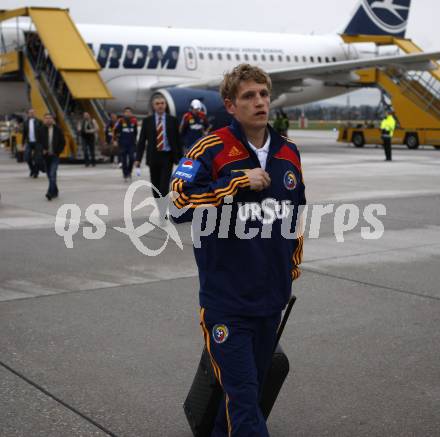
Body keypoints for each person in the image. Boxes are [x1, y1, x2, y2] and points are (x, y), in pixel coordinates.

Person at [171, 64, 306, 436]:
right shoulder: (210, 149)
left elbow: (295, 214)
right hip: (227, 303)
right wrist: (234, 183)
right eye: (249, 96)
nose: (259, 102)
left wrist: (291, 265)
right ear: (230, 105)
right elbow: (176, 205)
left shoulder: (289, 153)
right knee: (245, 402)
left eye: (263, 94)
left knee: (242, 399)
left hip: (272, 300)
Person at [135, 94, 181, 202]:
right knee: (155, 186)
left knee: (164, 186)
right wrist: (138, 158)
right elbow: (141, 141)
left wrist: (180, 158)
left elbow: (177, 140)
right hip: (153, 156)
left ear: (165, 105)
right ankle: (160, 206)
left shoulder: (172, 120)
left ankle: (163, 210)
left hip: (167, 156)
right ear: (153, 106)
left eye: (162, 103)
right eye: (157, 104)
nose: (160, 106)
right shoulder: (147, 121)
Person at [39, 113, 65, 200]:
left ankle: (49, 193)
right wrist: (42, 150)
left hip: (54, 156)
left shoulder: (58, 129)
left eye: (50, 118)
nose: (48, 120)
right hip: (46, 156)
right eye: (46, 118)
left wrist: (58, 152)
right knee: (49, 175)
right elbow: (38, 143)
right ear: (44, 120)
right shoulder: (41, 129)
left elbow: (63, 142)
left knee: (52, 174)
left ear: (52, 119)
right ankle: (55, 190)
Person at [115, 107, 138, 181]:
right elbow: (115, 131)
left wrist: (135, 141)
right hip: (123, 144)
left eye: (129, 112)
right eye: (126, 112)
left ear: (131, 113)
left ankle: (129, 172)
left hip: (131, 144)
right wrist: (116, 140)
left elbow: (135, 132)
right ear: (124, 113)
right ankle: (125, 174)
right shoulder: (121, 121)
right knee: (124, 160)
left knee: (132, 159)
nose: (128, 113)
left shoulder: (134, 121)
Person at [22, 108, 43, 178]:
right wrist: (22, 143)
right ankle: (32, 169)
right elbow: (24, 133)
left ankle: (36, 173)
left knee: (37, 159)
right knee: (27, 158)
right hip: (29, 142)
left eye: (33, 112)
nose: (32, 114)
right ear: (28, 114)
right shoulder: (25, 122)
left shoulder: (39, 121)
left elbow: (43, 133)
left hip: (38, 142)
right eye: (30, 113)